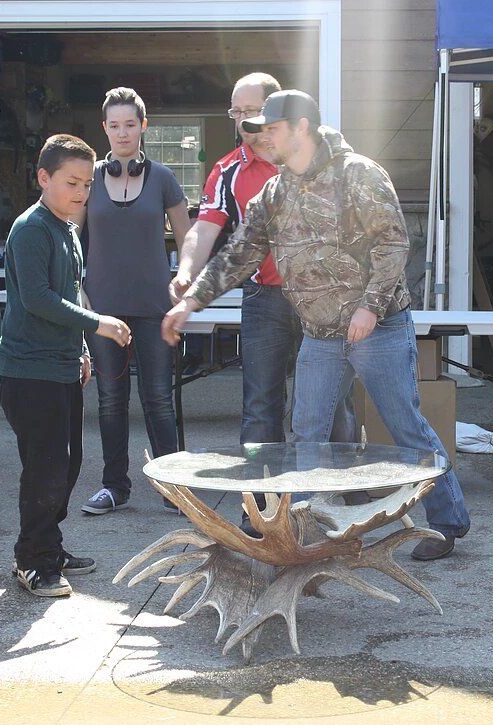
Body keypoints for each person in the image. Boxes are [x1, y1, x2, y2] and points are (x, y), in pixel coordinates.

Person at [162, 90, 470, 561]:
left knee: (404, 426)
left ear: (301, 127)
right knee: (307, 430)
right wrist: (193, 301)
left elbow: (392, 243)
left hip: (379, 328)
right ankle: (303, 531)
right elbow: (241, 252)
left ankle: (447, 524)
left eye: (272, 128)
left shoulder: (359, 175)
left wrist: (370, 306)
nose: (263, 136)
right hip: (320, 334)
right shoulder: (276, 191)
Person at [171, 73, 355, 533]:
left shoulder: (311, 156)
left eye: (248, 112)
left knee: (331, 402)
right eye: (234, 112)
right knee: (260, 404)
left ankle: (340, 499)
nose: (241, 121)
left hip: (322, 296)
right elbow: (205, 228)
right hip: (264, 298)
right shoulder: (228, 168)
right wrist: (187, 269)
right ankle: (259, 509)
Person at [0, 134, 133, 597]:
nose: (81, 192)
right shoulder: (31, 228)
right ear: (43, 178)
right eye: (71, 182)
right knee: (45, 468)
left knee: (68, 464)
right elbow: (38, 299)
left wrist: (81, 351)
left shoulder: (67, 229)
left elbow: (71, 293)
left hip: (61, 368)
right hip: (28, 371)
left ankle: (49, 546)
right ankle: (31, 560)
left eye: (87, 184)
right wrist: (98, 324)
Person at [77, 87, 192, 515]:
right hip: (103, 309)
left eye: (130, 124)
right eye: (113, 125)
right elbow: (70, 237)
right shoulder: (88, 178)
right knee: (110, 400)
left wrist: (184, 281)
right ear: (104, 129)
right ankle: (114, 486)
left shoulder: (162, 177)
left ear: (143, 127)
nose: (122, 133)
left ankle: (173, 487)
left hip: (154, 308)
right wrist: (79, 290)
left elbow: (188, 239)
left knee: (159, 398)